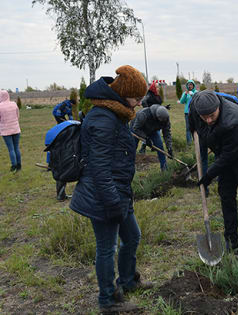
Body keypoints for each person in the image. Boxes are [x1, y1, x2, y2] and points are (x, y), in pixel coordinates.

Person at [70, 65, 153, 314]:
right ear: (123, 94)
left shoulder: (115, 114)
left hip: (118, 193)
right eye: (137, 98)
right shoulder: (102, 119)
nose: (139, 103)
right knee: (107, 248)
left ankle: (127, 281)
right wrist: (112, 202)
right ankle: (108, 300)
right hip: (103, 196)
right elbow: (99, 168)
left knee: (133, 236)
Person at [189, 90, 238, 252]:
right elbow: (193, 125)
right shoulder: (196, 107)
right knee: (226, 193)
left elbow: (229, 156)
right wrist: (193, 129)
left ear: (218, 107)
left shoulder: (233, 120)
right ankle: (231, 239)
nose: (208, 120)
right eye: (204, 117)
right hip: (223, 148)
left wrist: (209, 174)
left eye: (212, 115)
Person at [189, 91, 238, 197]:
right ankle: (204, 188)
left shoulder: (227, 101)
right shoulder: (194, 104)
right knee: (203, 158)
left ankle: (220, 181)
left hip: (222, 133)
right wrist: (194, 133)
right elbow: (191, 122)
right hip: (203, 134)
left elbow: (237, 108)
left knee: (221, 157)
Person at [131, 104, 173, 171]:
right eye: (161, 121)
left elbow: (167, 133)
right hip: (137, 129)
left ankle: (164, 168)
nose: (162, 122)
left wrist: (169, 147)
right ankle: (129, 167)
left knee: (160, 147)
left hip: (152, 130)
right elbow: (136, 128)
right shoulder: (144, 114)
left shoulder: (165, 119)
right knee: (132, 148)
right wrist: (146, 138)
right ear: (156, 117)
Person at [0, 90, 22, 173]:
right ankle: (19, 165)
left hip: (5, 130)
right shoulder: (14, 104)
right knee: (16, 147)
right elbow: (17, 116)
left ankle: (14, 165)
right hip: (16, 129)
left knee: (11, 149)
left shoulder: (0, 106)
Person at [179, 80, 197, 145]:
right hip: (187, 113)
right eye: (188, 85)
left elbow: (197, 100)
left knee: (195, 127)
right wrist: (185, 95)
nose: (190, 86)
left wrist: (192, 95)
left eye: (191, 85)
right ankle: (189, 143)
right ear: (187, 86)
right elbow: (181, 101)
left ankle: (196, 141)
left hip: (194, 112)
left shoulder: (196, 92)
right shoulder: (185, 93)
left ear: (193, 85)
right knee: (188, 128)